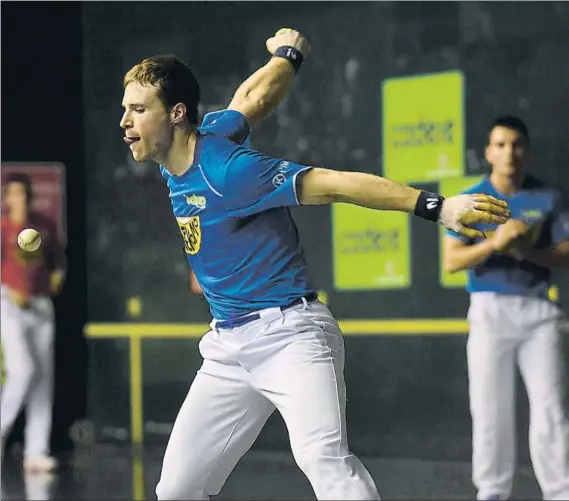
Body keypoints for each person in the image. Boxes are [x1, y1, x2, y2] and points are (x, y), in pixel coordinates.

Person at [120, 28, 510, 500]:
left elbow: (336, 183)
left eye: (138, 110)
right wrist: (288, 57)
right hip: (228, 346)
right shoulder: (193, 144)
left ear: (176, 114)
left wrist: (438, 207)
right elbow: (252, 98)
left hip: (291, 336)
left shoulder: (230, 172)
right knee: (176, 489)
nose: (125, 121)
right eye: (126, 109)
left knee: (325, 462)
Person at [443, 116, 569, 501]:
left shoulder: (549, 197)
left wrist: (526, 249)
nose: (508, 152)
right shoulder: (470, 201)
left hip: (538, 314)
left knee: (551, 408)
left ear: (525, 150)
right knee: (489, 408)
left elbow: (566, 251)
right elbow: (452, 261)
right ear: (488, 152)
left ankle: (561, 491)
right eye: (500, 144)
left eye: (516, 144)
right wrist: (496, 244)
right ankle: (493, 492)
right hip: (488, 312)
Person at [1, 173, 66, 473]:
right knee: (23, 371)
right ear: (6, 199)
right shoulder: (2, 228)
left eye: (24, 194)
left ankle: (35, 453)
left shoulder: (43, 226)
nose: (20, 200)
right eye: (13, 194)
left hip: (40, 304)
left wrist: (56, 278)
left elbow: (57, 261)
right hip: (8, 304)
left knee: (43, 380)